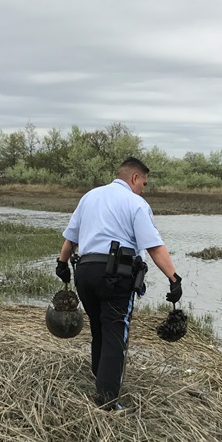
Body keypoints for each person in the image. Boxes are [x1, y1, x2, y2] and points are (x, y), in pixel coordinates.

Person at [55, 157, 182, 410]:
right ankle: (108, 401)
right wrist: (174, 278)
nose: (143, 188)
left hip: (85, 274)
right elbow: (155, 246)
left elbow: (71, 238)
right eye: (143, 183)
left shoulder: (90, 197)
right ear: (134, 178)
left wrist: (61, 264)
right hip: (115, 276)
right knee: (115, 334)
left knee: (100, 329)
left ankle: (100, 380)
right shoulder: (136, 203)